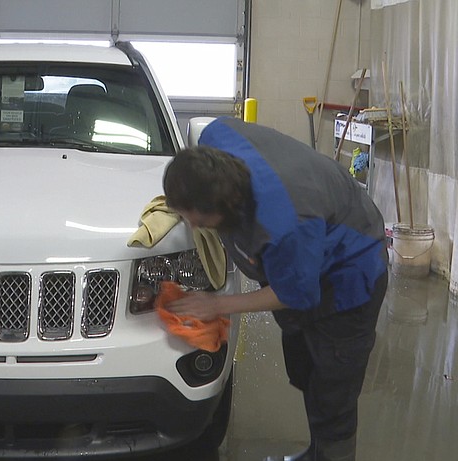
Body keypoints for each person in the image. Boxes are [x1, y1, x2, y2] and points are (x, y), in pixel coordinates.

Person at [162, 117, 388, 461]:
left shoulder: (282, 223)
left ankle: (332, 454)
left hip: (350, 275)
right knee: (305, 369)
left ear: (225, 206)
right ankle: (317, 451)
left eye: (199, 221)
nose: (192, 226)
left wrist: (218, 304)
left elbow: (295, 294)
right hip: (311, 234)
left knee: (333, 391)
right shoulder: (214, 137)